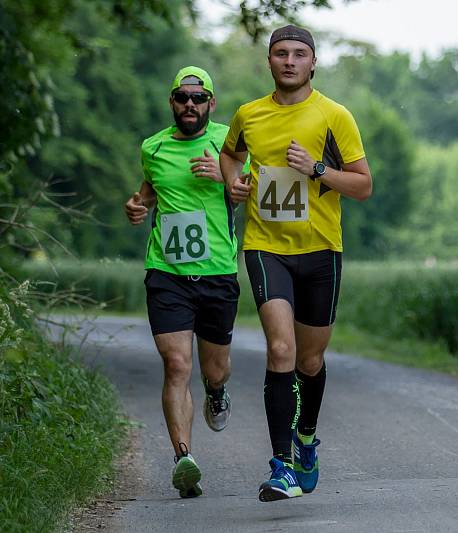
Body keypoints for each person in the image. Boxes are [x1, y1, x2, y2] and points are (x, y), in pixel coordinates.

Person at [218, 25, 372, 502]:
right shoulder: (249, 114)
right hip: (265, 247)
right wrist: (234, 184)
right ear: (269, 62)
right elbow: (229, 155)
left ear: (313, 63)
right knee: (281, 351)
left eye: (299, 54)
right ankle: (281, 465)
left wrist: (318, 169)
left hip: (321, 251)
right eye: (280, 53)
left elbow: (363, 185)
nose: (289, 61)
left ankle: (306, 437)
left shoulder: (334, 116)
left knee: (310, 359)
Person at [124, 66, 240, 499]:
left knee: (215, 368)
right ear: (172, 103)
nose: (189, 105)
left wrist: (226, 178)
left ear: (211, 103)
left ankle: (217, 391)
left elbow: (254, 189)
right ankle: (183, 459)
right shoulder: (152, 147)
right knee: (176, 365)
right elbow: (148, 192)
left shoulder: (231, 142)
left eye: (198, 98)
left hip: (217, 272)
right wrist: (135, 206)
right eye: (181, 97)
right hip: (167, 272)